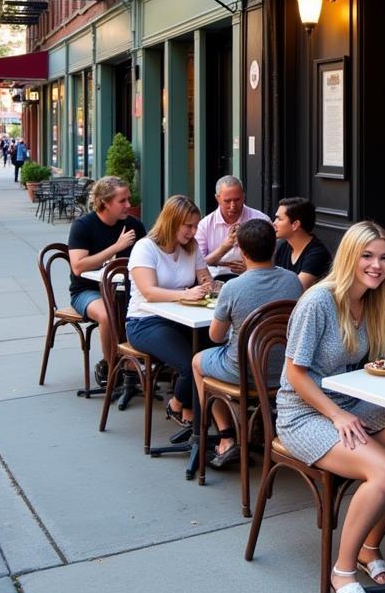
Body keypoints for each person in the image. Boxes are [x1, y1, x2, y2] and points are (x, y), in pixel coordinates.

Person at [278, 221, 385, 593]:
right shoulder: (319, 301)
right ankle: (343, 568)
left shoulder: (376, 300)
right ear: (350, 256)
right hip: (304, 411)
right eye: (368, 256)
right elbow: (294, 373)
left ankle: (370, 546)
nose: (376, 265)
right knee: (384, 469)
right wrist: (335, 415)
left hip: (353, 401)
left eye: (384, 258)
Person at [192, 218, 302, 469]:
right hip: (287, 373)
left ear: (241, 251)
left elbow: (215, 337)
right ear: (274, 247)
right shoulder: (293, 281)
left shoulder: (233, 287)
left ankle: (226, 436)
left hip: (245, 373)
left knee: (198, 361)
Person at [126, 195, 213, 428]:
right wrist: (185, 294)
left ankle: (192, 411)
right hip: (144, 322)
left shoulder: (191, 248)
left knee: (212, 352)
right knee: (188, 364)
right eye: (189, 226)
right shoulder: (145, 247)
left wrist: (207, 283)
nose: (194, 231)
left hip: (183, 319)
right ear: (172, 221)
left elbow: (205, 276)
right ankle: (182, 408)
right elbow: (149, 291)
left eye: (196, 226)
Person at [67, 176, 147, 340]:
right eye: (122, 201)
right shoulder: (83, 226)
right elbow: (78, 266)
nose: (129, 205)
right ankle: (110, 364)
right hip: (88, 290)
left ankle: (134, 359)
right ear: (105, 202)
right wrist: (116, 248)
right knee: (107, 315)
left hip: (126, 289)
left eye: (128, 199)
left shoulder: (134, 225)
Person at [195, 175, 269, 273]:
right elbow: (198, 265)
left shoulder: (262, 220)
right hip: (215, 282)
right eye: (227, 201)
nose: (233, 205)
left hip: (253, 279)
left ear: (243, 196)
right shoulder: (204, 225)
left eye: (237, 199)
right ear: (217, 198)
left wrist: (250, 270)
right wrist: (225, 247)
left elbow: (272, 260)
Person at [273, 197, 332, 290]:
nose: (274, 223)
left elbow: (296, 290)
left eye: (279, 219)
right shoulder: (282, 246)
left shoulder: (317, 254)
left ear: (295, 225)